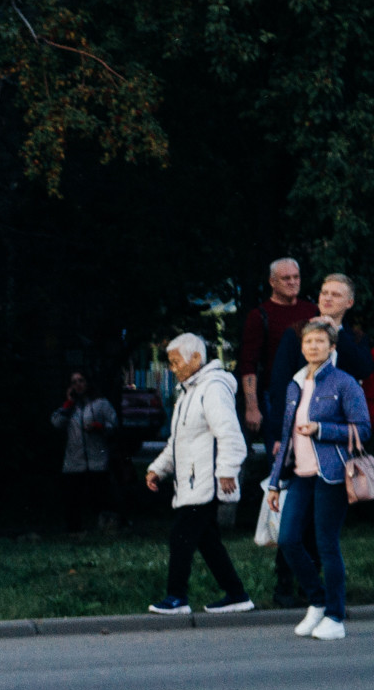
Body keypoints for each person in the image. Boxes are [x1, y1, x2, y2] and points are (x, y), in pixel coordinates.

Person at [265, 273, 373, 607]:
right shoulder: (299, 333)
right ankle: (289, 587)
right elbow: (282, 384)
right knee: (290, 530)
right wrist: (277, 439)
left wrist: (336, 333)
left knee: (323, 534)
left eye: (335, 294)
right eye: (323, 292)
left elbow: (363, 368)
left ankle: (326, 604)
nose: (326, 298)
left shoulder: (351, 340)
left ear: (349, 302)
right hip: (299, 448)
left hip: (333, 453)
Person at [144, 334, 253, 615]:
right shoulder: (189, 392)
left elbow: (229, 432)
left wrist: (228, 471)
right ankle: (237, 594)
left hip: (207, 480)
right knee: (206, 539)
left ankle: (176, 597)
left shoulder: (213, 388)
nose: (172, 368)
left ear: (195, 358)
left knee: (181, 535)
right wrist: (158, 468)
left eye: (175, 361)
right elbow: (179, 441)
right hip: (193, 481)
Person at [238, 258, 319, 436]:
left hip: (312, 395)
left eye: (296, 277)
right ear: (272, 282)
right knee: (279, 457)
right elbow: (248, 364)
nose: (292, 282)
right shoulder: (260, 316)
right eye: (286, 278)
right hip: (276, 399)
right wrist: (252, 407)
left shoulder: (312, 311)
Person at [50, 371, 118, 533]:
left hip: (97, 460)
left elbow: (114, 425)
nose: (78, 385)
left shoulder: (100, 404)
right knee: (73, 498)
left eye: (81, 381)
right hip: (74, 461)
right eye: (74, 382)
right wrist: (68, 404)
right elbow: (56, 423)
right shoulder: (69, 407)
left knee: (100, 497)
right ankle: (74, 530)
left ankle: (106, 528)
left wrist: (99, 428)